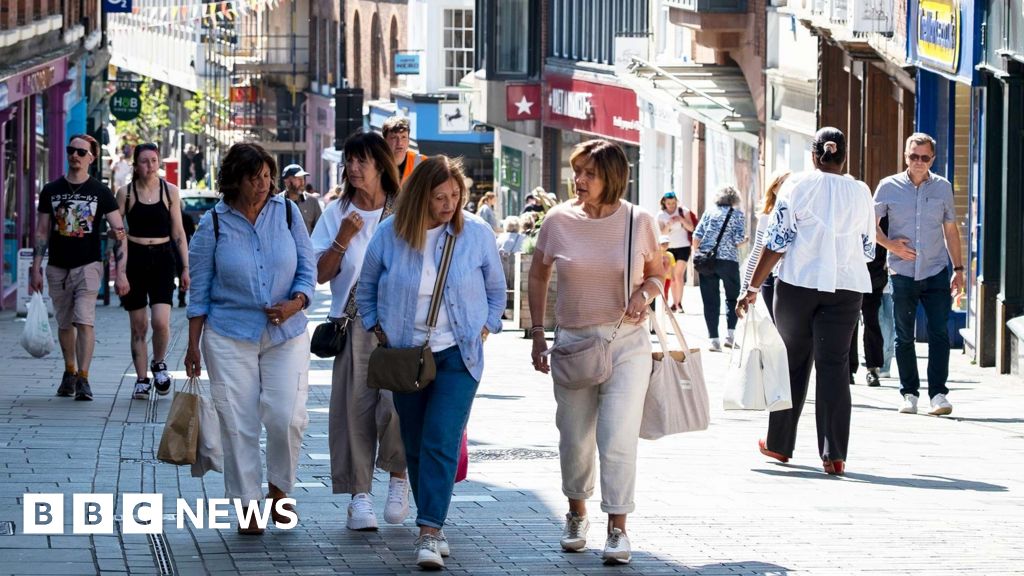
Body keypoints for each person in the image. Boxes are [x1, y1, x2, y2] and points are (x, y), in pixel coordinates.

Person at [356, 156, 505, 570]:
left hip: (459, 353)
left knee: (441, 437)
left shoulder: (475, 233)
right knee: (417, 443)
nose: (449, 204)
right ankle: (432, 521)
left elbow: (497, 288)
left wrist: (486, 327)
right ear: (421, 195)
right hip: (407, 357)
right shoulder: (390, 234)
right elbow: (365, 289)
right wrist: (378, 329)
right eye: (440, 196)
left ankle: (429, 531)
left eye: (455, 196)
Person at [528, 139, 664, 565]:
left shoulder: (639, 221)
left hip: (626, 341)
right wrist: (537, 332)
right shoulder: (557, 220)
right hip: (573, 342)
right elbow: (537, 274)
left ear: (613, 177)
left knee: (617, 436)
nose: (579, 180)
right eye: (577, 171)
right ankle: (575, 513)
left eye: (590, 173)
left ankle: (618, 529)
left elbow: (659, 274)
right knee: (574, 437)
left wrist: (646, 294)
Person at [184, 142, 316, 534]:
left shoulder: (289, 213)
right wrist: (192, 346)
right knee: (238, 424)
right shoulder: (214, 223)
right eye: (253, 178)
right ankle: (247, 506)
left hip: (285, 332)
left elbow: (307, 272)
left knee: (286, 416)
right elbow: (200, 291)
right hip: (228, 335)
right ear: (235, 181)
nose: (263, 185)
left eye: (266, 177)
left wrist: (296, 303)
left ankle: (280, 488)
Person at [737, 127, 875, 476]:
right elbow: (868, 249)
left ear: (815, 156)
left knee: (793, 362)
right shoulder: (861, 192)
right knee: (835, 366)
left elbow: (778, 240)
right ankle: (834, 453)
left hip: (798, 285)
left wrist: (751, 287)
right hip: (846, 288)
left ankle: (780, 445)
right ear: (844, 156)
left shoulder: (796, 185)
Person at [309, 131, 409, 531]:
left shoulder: (404, 210)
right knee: (356, 411)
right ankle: (359, 496)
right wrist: (342, 239)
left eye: (361, 161)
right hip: (353, 326)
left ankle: (399, 478)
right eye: (348, 161)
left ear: (381, 164)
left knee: (399, 407)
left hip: (401, 325)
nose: (353, 168)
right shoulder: (337, 212)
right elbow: (318, 275)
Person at [30, 134, 130, 401]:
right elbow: (42, 231)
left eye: (81, 152)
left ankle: (84, 378)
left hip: (88, 265)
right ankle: (69, 370)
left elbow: (119, 230)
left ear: (91, 158)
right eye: (71, 150)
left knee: (84, 319)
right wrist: (36, 266)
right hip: (57, 266)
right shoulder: (51, 190)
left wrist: (120, 271)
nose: (75, 155)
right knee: (64, 322)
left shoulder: (100, 192)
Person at [874, 133, 962, 416]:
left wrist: (958, 269)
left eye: (925, 157)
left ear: (932, 159)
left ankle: (938, 394)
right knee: (903, 335)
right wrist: (889, 244)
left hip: (936, 270)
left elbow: (950, 230)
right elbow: (868, 224)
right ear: (905, 156)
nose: (919, 162)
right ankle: (909, 393)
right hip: (902, 272)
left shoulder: (943, 188)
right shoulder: (888, 187)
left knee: (939, 333)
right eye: (914, 156)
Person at [115, 143, 191, 400]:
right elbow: (118, 235)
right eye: (144, 161)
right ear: (136, 165)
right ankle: (141, 379)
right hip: (135, 258)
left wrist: (186, 269)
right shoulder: (125, 194)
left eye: (153, 160)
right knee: (139, 325)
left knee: (160, 321)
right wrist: (120, 272)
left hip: (162, 259)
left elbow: (179, 232)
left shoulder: (170, 192)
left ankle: (159, 364)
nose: (149, 166)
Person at [692, 186, 747, 351]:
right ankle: (730, 336)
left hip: (707, 261)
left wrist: (698, 254)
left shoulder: (709, 212)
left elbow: (696, 236)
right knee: (732, 298)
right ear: (734, 199)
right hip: (729, 261)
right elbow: (738, 241)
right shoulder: (737, 215)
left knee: (710, 300)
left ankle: (714, 340)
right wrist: (746, 239)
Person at [741, 171, 791, 321]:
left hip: (793, 278)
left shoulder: (799, 213)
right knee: (780, 327)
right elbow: (757, 252)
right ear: (774, 188)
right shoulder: (766, 218)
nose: (789, 186)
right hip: (771, 278)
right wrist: (746, 288)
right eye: (784, 183)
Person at [849, 217, 889, 386]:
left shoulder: (882, 207)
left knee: (872, 320)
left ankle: (873, 369)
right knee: (849, 322)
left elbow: (886, 239)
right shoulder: (849, 202)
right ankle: (848, 369)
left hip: (875, 273)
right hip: (850, 271)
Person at [657, 191, 696, 312]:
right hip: (668, 248)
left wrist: (681, 219)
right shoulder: (660, 215)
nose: (671, 206)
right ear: (664, 202)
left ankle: (678, 303)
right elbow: (661, 233)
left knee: (678, 275)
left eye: (673, 203)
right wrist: (668, 225)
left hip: (683, 246)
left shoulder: (683, 211)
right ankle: (673, 303)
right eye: (669, 203)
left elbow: (692, 228)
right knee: (672, 277)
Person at [280, 164, 322, 235]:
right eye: (298, 179)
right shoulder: (277, 202)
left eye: (303, 178)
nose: (302, 182)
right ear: (287, 181)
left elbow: (320, 230)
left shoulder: (312, 201)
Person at [382, 116, 426, 183]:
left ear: (408, 141)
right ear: (384, 142)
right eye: (394, 137)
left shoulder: (422, 162)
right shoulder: (376, 163)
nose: (399, 143)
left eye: (403, 137)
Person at [659, 235, 676, 304]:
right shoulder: (656, 254)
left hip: (667, 277)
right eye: (663, 244)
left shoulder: (670, 255)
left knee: (666, 291)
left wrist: (673, 275)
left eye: (667, 244)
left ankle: (665, 305)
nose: (665, 245)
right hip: (659, 277)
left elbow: (672, 266)